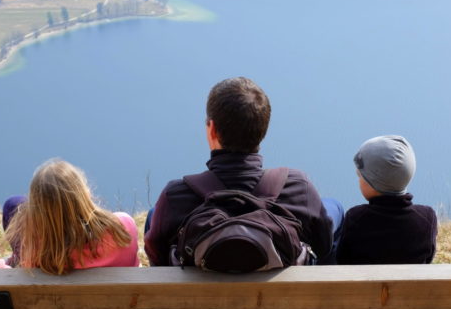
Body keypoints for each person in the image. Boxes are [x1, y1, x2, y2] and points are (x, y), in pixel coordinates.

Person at [144, 77, 339, 267]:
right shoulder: (298, 186)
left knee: (154, 216)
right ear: (263, 130)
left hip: (199, 299)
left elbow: (158, 257)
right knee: (334, 207)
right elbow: (323, 246)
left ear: (212, 129)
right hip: (284, 298)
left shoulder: (176, 195)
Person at [0, 159, 140, 274]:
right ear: (84, 194)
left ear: (36, 211)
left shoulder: (39, 255)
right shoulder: (124, 228)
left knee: (14, 205)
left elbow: (15, 278)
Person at [335, 135, 437, 264]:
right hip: (410, 284)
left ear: (374, 182)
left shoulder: (355, 217)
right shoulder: (427, 218)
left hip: (363, 284)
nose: (358, 180)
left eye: (360, 176)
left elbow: (342, 259)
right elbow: (428, 259)